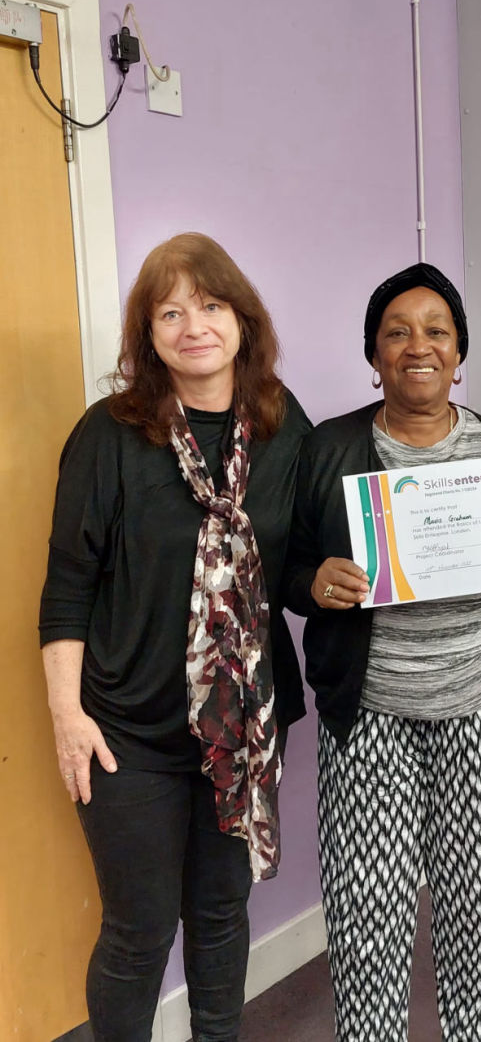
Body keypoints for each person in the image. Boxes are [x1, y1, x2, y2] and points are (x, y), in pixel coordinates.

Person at [39, 233, 311, 1042]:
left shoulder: (281, 423)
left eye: (212, 305)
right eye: (171, 312)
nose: (195, 326)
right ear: (148, 334)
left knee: (222, 915)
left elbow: (298, 561)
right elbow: (68, 587)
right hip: (129, 734)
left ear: (242, 318)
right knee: (139, 932)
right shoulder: (109, 435)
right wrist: (67, 717)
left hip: (242, 727)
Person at [284, 262, 481, 1041]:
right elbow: (289, 571)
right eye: (397, 332)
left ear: (459, 353)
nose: (419, 346)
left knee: (480, 902)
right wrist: (316, 583)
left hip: (478, 706)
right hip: (369, 712)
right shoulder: (330, 449)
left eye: (437, 331)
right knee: (367, 908)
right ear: (373, 354)